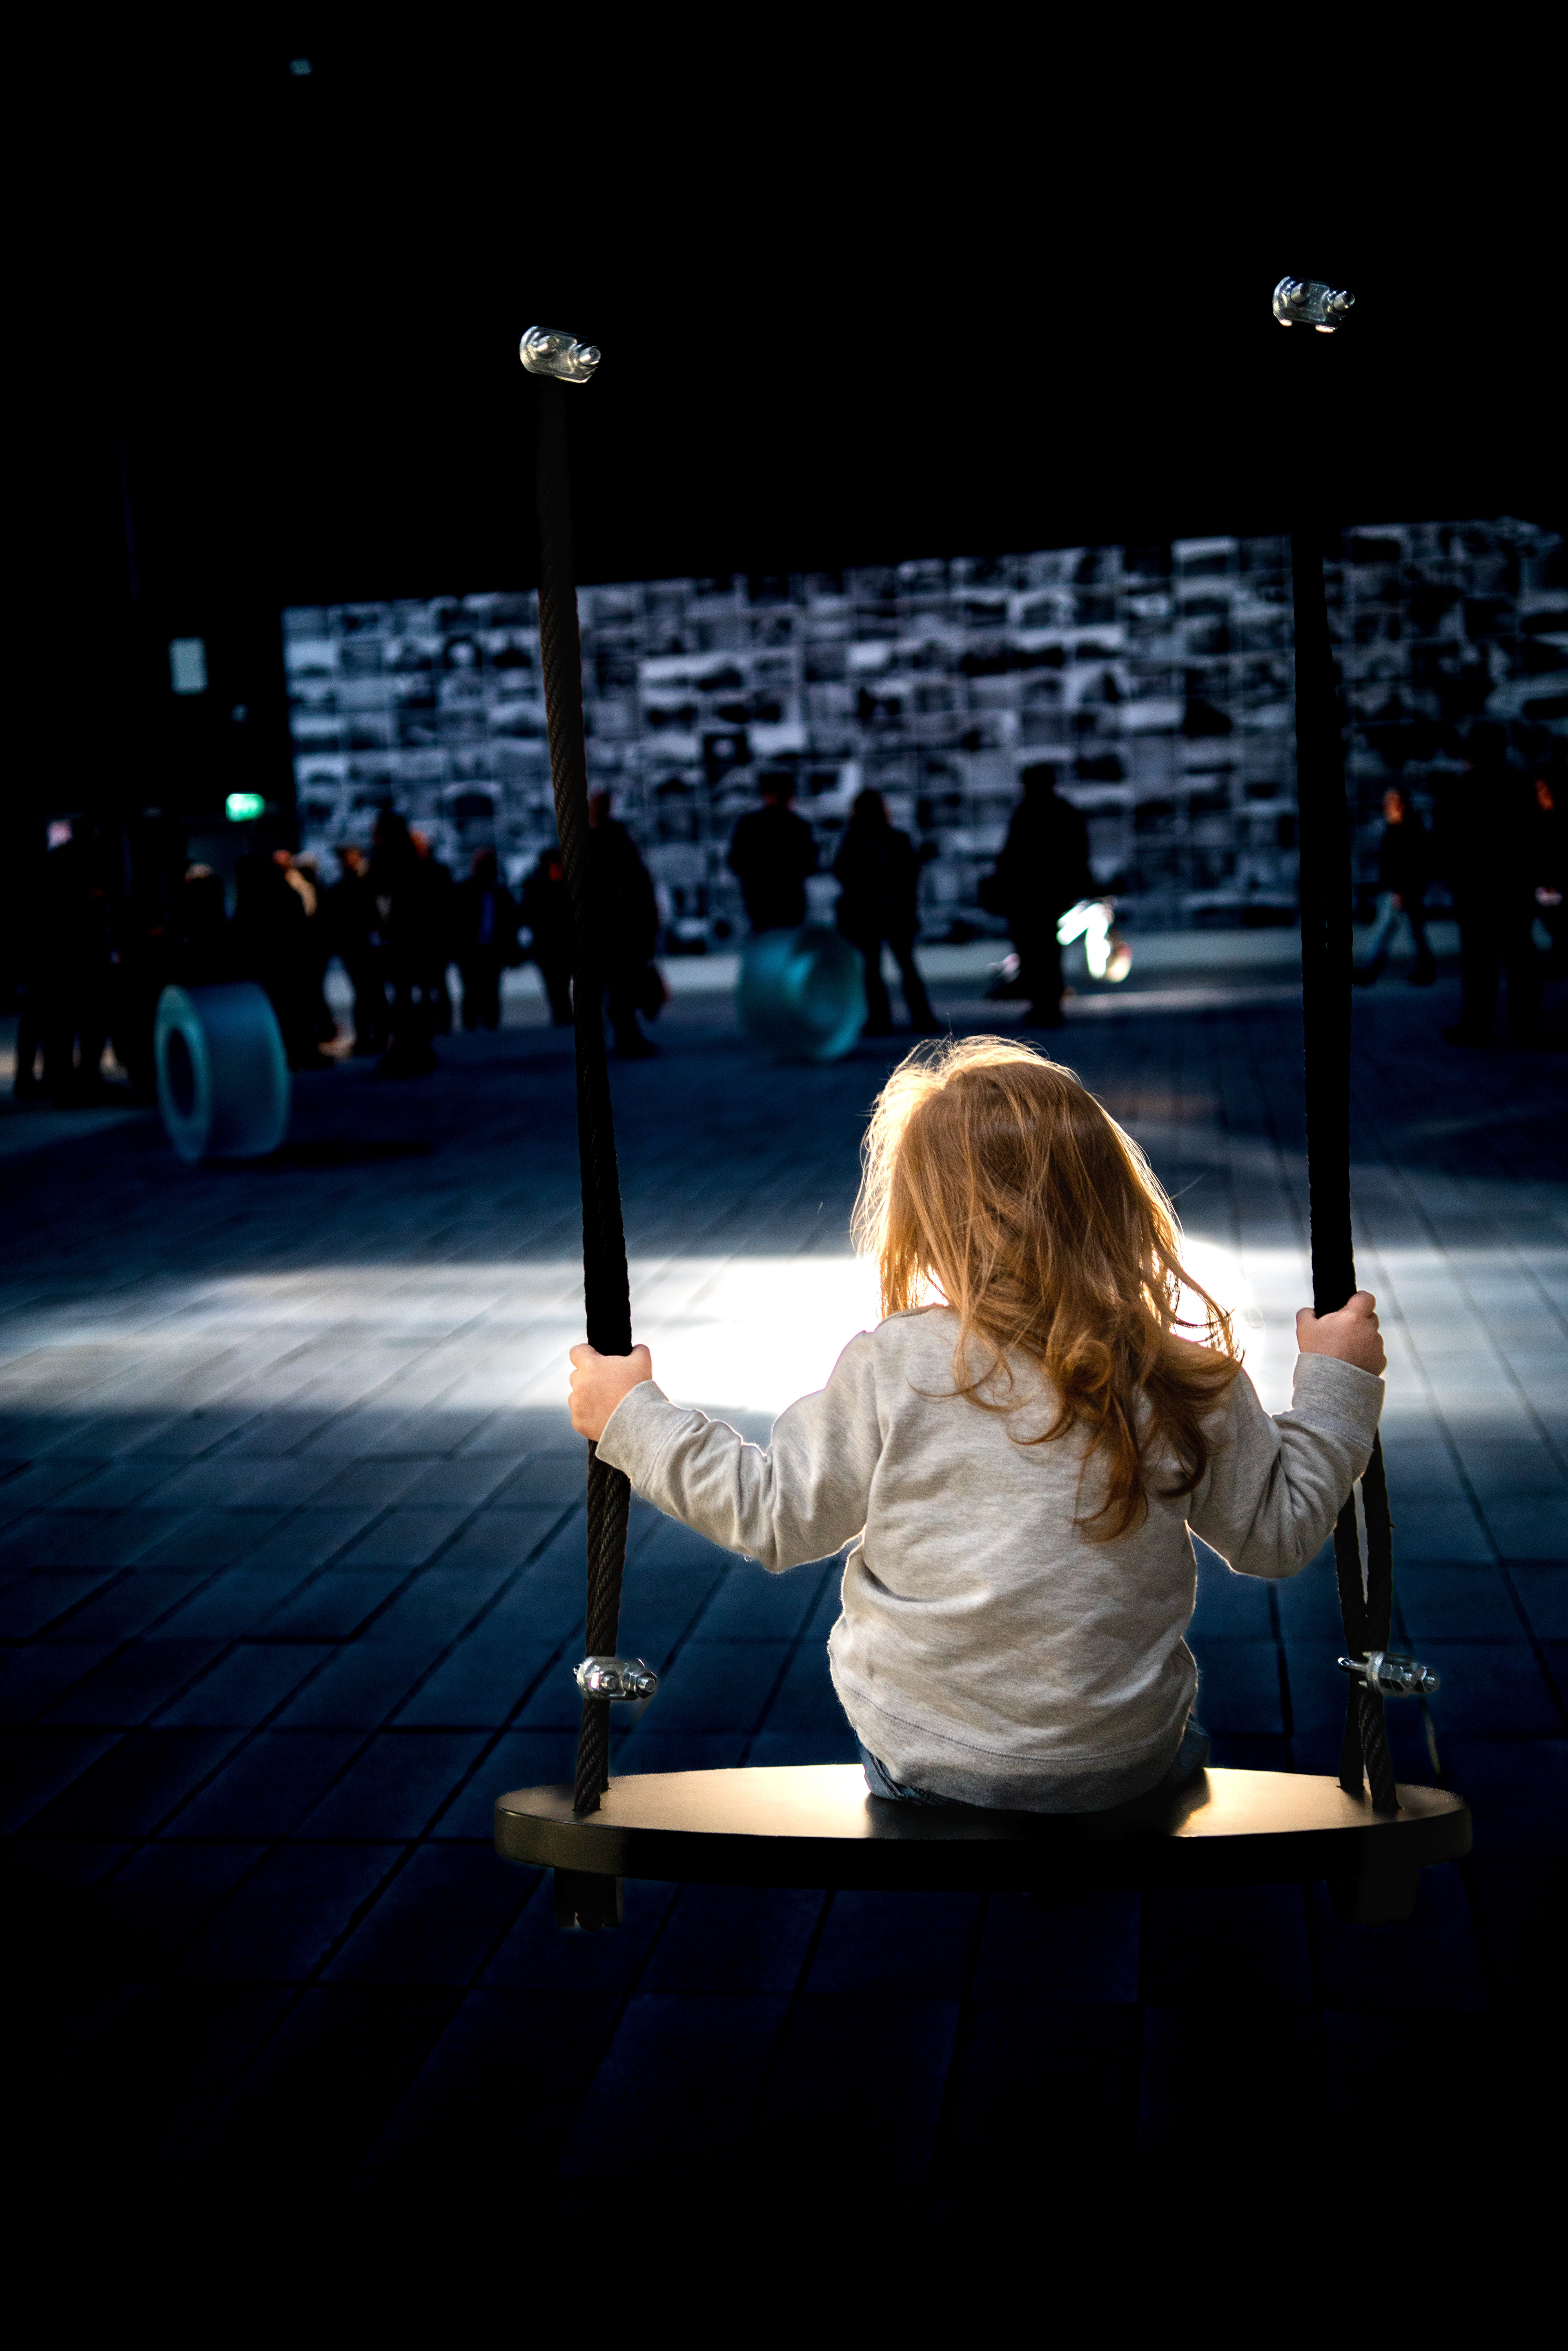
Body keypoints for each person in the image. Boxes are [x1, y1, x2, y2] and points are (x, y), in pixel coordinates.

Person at [568, 1036, 1385, 1814]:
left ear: (926, 1224)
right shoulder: (1178, 1376)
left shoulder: (895, 1367)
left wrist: (633, 1416)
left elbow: (772, 1514)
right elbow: (1279, 1535)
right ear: (1115, 1199)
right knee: (1179, 1742)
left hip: (924, 1760)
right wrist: (1338, 1381)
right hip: (1123, 1764)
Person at [1435, 724, 1544, 1047]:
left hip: (1474, 890)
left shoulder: (1459, 789)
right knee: (1520, 957)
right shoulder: (1522, 785)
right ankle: (1526, 1025)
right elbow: (1537, 836)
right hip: (1515, 887)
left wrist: (1454, 877)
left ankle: (1478, 1025)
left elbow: (1444, 842)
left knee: (1478, 960)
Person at [984, 765, 1092, 1028]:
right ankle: (1049, 1006)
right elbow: (1079, 855)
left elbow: (1011, 855)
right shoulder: (1065, 812)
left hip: (1028, 895)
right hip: (1051, 894)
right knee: (1048, 952)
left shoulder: (1027, 813)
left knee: (1033, 951)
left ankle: (1042, 1005)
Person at [832, 789, 938, 1035]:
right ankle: (922, 1018)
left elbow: (842, 874)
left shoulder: (853, 841)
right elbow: (911, 875)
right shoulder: (897, 838)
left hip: (866, 913)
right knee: (906, 965)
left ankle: (880, 1020)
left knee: (873, 969)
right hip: (896, 912)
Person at [368, 811, 445, 1074]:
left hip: (401, 933)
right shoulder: (412, 857)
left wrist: (384, 923)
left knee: (403, 994)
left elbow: (383, 896)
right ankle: (418, 1045)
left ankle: (406, 1047)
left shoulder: (385, 858)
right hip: (416, 933)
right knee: (417, 992)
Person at [588, 791, 662, 1058]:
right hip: (620, 927)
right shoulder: (612, 840)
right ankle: (628, 1038)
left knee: (620, 987)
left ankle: (627, 1037)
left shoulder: (603, 840)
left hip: (617, 927)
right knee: (622, 987)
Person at [1352, 785, 1435, 986]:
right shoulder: (1396, 825)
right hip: (1396, 890)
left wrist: (1401, 891)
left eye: (1391, 800)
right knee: (1406, 932)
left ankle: (1372, 971)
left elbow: (1409, 862)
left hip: (1402, 891)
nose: (1386, 804)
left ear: (1401, 803)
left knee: (1396, 932)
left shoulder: (1407, 827)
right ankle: (1422, 970)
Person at [726, 770, 818, 934]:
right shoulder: (798, 825)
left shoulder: (750, 824)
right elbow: (810, 864)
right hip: (790, 900)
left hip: (759, 899)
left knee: (766, 942)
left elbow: (735, 862)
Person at [322, 844, 388, 1056]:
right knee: (366, 992)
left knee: (372, 992)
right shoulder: (350, 884)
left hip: (366, 945)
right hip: (357, 946)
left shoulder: (367, 881)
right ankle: (370, 1036)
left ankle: (376, 1036)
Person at [452, 846, 520, 1030]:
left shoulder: (499, 893)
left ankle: (486, 1028)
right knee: (473, 993)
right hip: (471, 952)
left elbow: (510, 924)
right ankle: (475, 1029)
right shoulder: (466, 891)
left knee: (489, 992)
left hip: (491, 951)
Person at [520, 842, 574, 1025]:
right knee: (555, 981)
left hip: (557, 942)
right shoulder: (538, 884)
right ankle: (561, 1011)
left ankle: (562, 1011)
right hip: (549, 943)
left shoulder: (542, 882)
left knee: (559, 980)